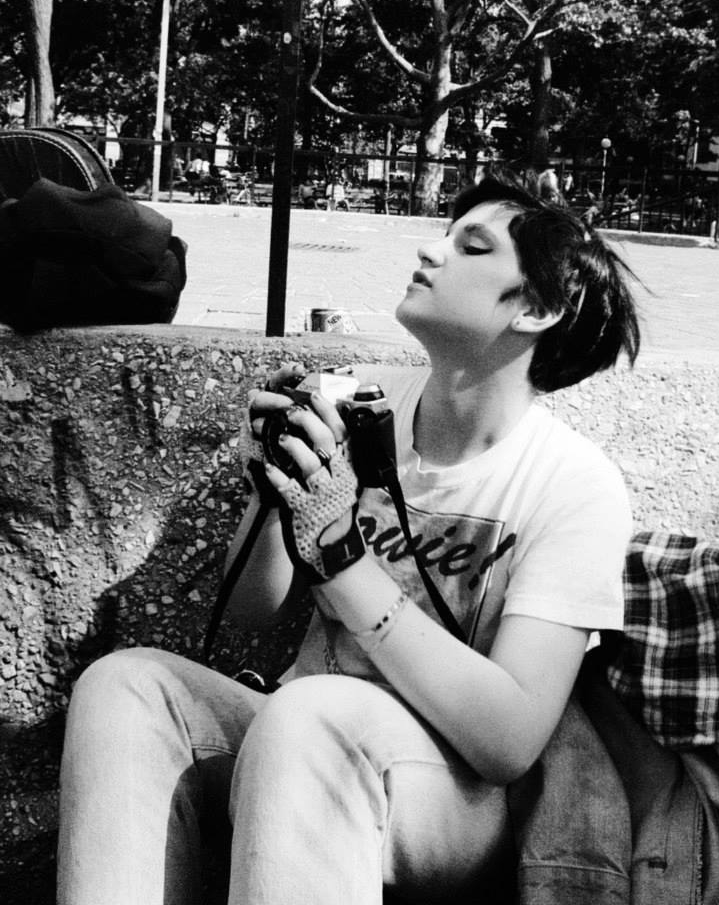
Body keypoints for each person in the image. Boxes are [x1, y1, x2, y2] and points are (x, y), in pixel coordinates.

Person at [57, 171, 641, 904]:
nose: (430, 251)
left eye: (472, 247)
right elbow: (252, 610)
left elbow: (509, 739)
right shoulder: (360, 401)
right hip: (294, 735)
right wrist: (274, 492)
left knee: (311, 715)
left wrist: (339, 555)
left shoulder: (573, 485)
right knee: (126, 686)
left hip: (454, 793)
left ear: (536, 308)